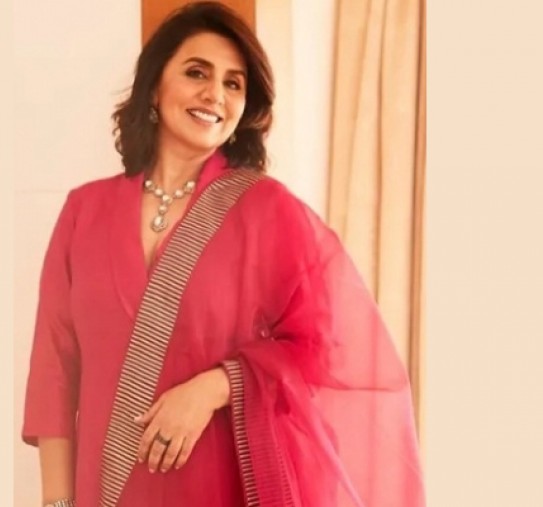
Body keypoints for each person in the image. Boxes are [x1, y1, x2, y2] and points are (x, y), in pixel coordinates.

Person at [21, 2, 425, 506]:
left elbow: (328, 349)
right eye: (197, 73)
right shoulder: (85, 211)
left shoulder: (269, 213)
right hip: (107, 488)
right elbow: (55, 370)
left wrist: (219, 385)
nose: (215, 94)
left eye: (234, 84)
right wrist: (57, 502)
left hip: (216, 484)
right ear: (154, 86)